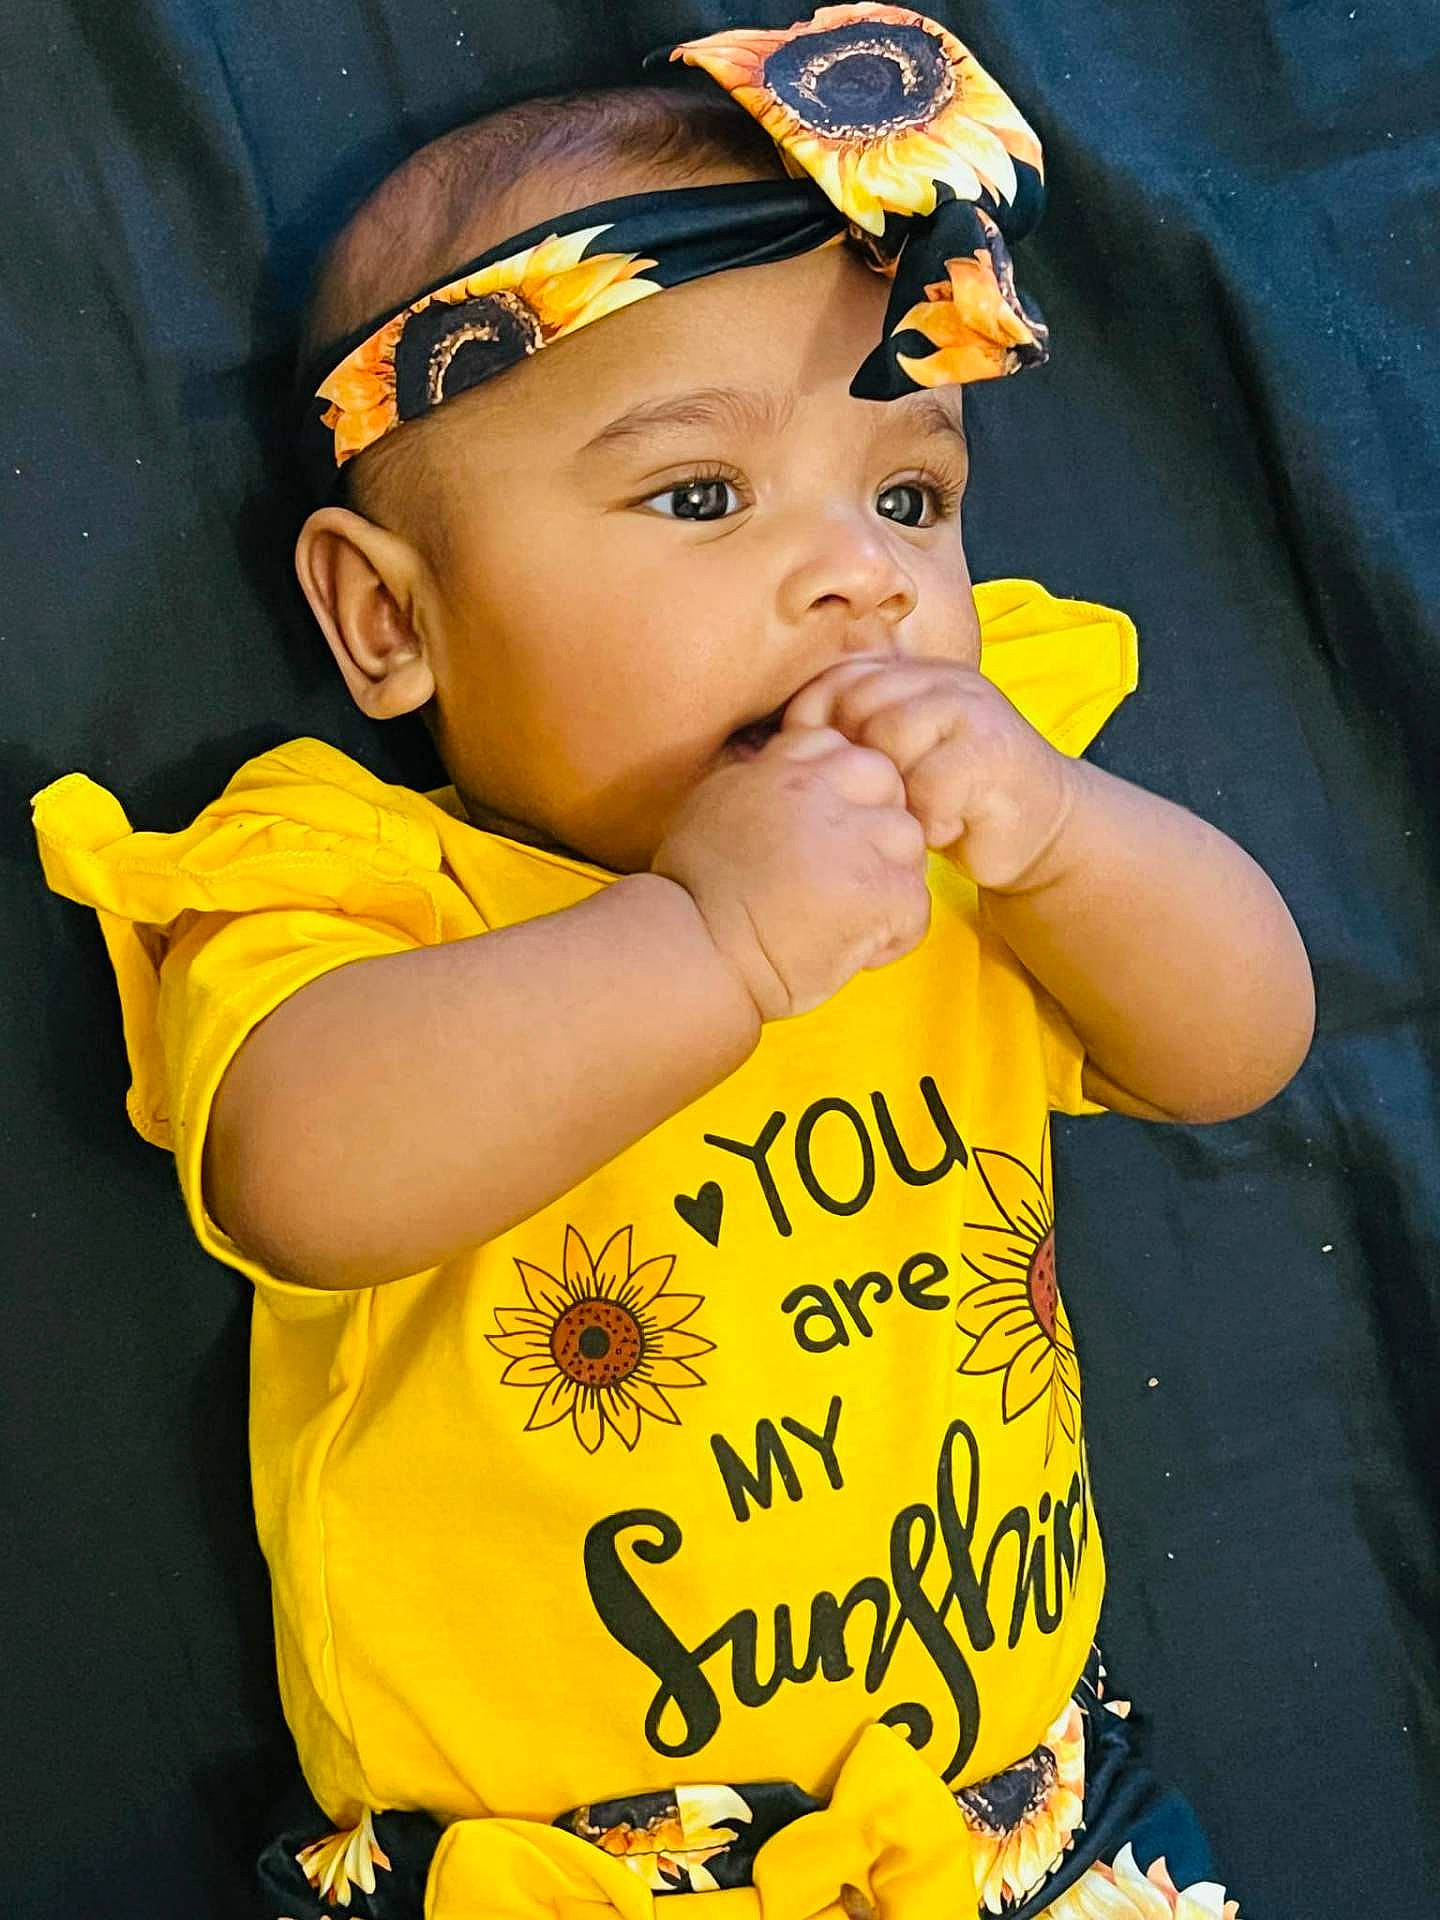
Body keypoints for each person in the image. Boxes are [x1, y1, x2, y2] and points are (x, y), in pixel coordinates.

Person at [31, 8, 1313, 1916]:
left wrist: (1062, 834)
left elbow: (1247, 1044)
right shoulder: (359, 889)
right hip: (563, 1874)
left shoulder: (986, 836)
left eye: (912, 495)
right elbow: (298, 1175)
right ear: (388, 619)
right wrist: (712, 936)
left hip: (1009, 1823)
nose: (862, 576)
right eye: (702, 495)